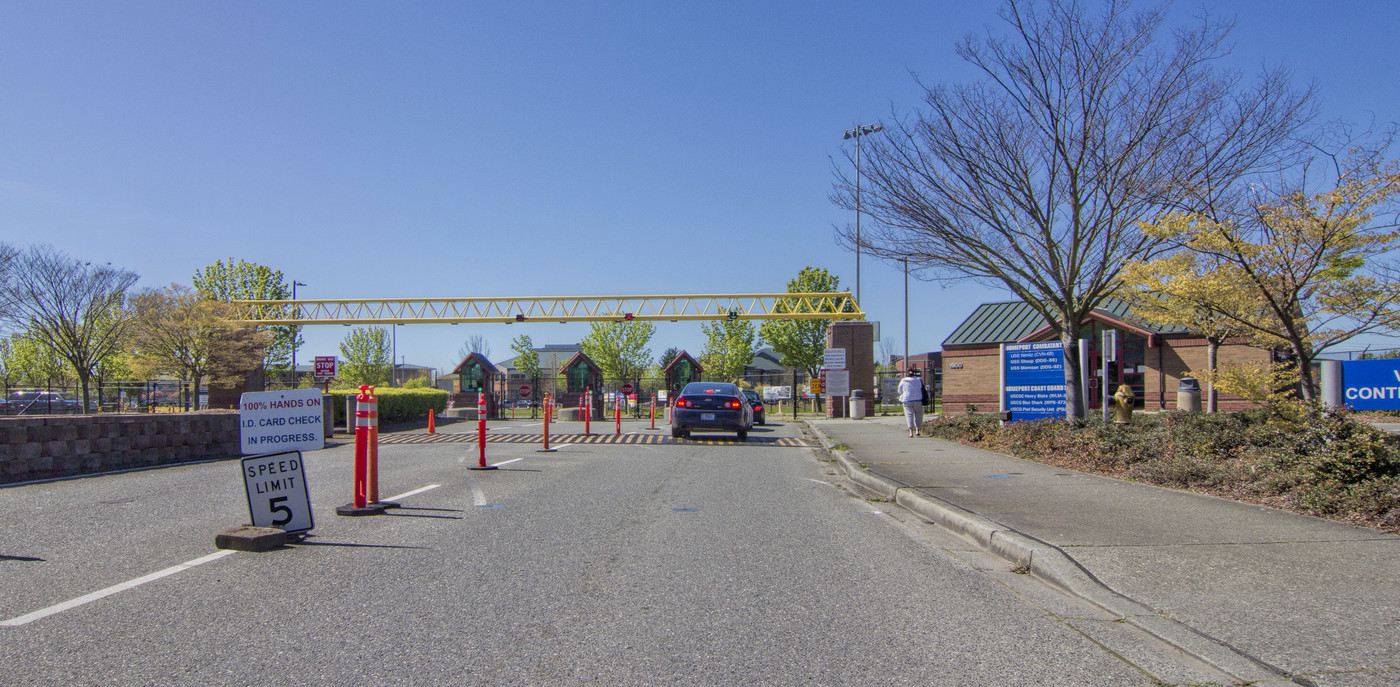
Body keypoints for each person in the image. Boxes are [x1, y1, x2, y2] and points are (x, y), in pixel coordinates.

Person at [897, 368, 925, 438]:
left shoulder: (903, 381)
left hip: (907, 400)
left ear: (907, 373)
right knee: (918, 415)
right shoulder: (918, 380)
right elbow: (921, 389)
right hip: (918, 399)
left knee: (909, 415)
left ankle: (911, 432)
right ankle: (918, 430)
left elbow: (899, 391)